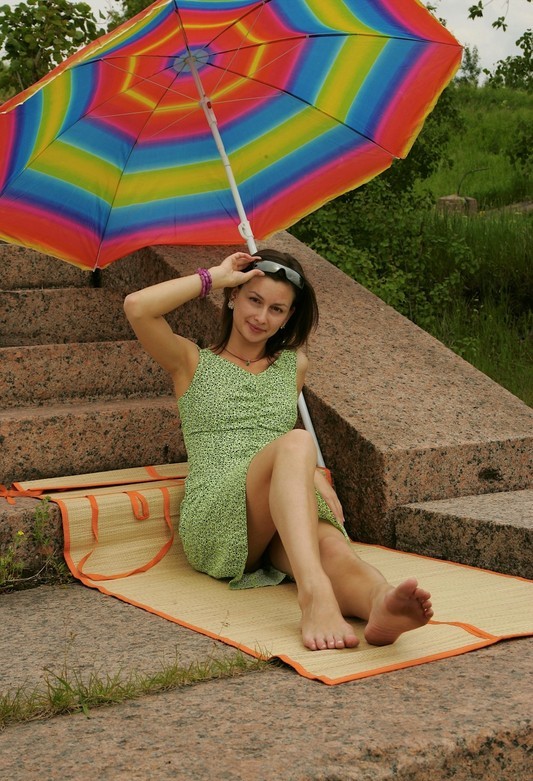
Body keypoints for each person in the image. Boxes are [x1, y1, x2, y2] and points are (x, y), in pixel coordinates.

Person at [124, 249, 433, 651]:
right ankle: (313, 593)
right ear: (234, 296)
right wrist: (216, 276)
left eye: (276, 309)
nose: (261, 317)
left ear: (288, 317)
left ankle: (380, 602)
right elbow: (137, 307)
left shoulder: (294, 366)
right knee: (299, 441)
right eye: (254, 300)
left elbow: (280, 439)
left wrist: (312, 476)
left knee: (333, 550)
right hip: (218, 508)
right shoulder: (189, 361)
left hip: (279, 501)